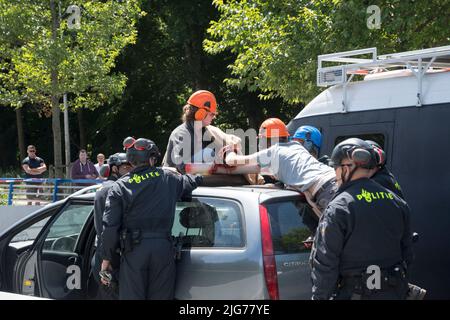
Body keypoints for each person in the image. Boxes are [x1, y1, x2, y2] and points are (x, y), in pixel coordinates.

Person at [100, 137, 203, 300]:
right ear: (151, 158)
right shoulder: (169, 178)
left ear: (130, 160)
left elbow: (109, 227)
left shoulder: (119, 187)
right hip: (164, 250)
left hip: (134, 252)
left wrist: (106, 259)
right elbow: (193, 180)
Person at [310, 138, 413, 300]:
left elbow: (326, 264)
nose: (335, 174)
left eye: (336, 168)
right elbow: (407, 253)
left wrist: (319, 297)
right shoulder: (397, 201)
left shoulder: (339, 207)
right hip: (394, 292)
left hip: (355, 294)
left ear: (347, 168)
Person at [221, 118, 337, 217]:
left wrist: (231, 149)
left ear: (266, 140)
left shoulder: (273, 152)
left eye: (260, 140)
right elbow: (255, 168)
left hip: (327, 191)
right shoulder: (296, 147)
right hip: (338, 181)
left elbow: (232, 161)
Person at [162, 90, 241, 174]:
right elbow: (182, 167)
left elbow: (216, 154)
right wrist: (213, 166)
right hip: (176, 180)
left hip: (192, 179)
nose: (213, 117)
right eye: (212, 114)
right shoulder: (181, 133)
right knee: (208, 153)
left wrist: (224, 153)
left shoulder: (205, 132)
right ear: (200, 113)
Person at [92, 153, 133, 300]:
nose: (131, 170)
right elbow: (105, 231)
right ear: (115, 169)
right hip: (110, 257)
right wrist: (106, 260)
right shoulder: (110, 190)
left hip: (111, 254)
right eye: (127, 167)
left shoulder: (115, 188)